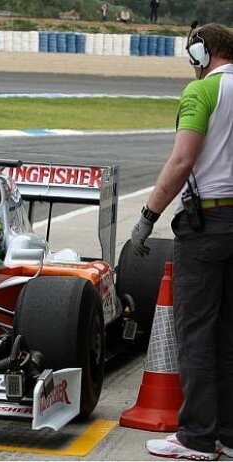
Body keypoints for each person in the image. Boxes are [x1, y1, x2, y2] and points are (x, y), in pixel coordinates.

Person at [131, 23, 233, 460]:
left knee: (195, 334)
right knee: (229, 335)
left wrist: (147, 216)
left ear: (201, 52)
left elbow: (181, 160)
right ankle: (228, 434)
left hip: (206, 225)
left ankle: (195, 437)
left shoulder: (202, 93)